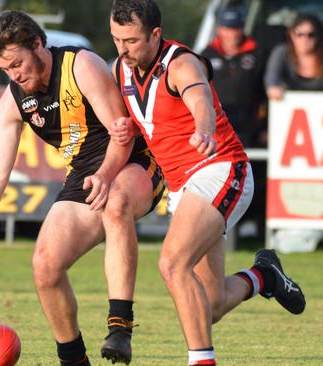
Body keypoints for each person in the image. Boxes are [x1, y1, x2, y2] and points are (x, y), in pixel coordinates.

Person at [0, 11, 164, 366]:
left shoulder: (81, 66)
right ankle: (73, 361)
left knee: (116, 203)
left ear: (37, 44)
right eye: (5, 69)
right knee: (45, 266)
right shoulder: (15, 99)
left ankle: (120, 328)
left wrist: (106, 176)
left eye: (17, 63)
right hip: (84, 175)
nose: (14, 75)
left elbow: (121, 136)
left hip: (132, 161)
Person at [108, 1, 306, 365]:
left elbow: (199, 98)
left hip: (220, 169)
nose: (123, 48)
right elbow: (147, 120)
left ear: (155, 34)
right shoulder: (122, 68)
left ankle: (202, 361)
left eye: (131, 40)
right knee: (210, 304)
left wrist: (204, 128)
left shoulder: (181, 63)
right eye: (117, 39)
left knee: (171, 264)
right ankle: (264, 276)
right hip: (183, 186)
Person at [200, 7, 266, 148]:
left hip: (249, 128)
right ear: (219, 29)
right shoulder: (206, 55)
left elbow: (266, 93)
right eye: (228, 28)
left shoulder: (258, 54)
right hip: (216, 126)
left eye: (237, 28)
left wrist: (265, 127)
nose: (233, 34)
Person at [265, 13, 323, 100]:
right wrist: (274, 89)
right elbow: (272, 80)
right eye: (299, 34)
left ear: (318, 37)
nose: (305, 39)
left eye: (311, 35)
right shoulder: (282, 53)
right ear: (291, 35)